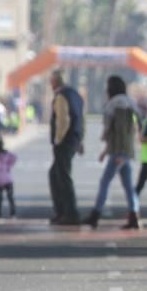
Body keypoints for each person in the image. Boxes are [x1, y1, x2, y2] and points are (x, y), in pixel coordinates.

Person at [84, 75, 140, 230]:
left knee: (105, 182)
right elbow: (129, 130)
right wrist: (107, 150)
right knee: (128, 185)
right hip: (122, 151)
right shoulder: (130, 102)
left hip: (119, 152)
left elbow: (120, 131)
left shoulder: (117, 104)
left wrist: (120, 152)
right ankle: (134, 215)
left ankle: (95, 214)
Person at [48, 70, 84, 225]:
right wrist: (80, 139)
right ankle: (63, 211)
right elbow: (81, 118)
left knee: (62, 177)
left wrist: (58, 140)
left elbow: (63, 119)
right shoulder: (75, 94)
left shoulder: (61, 96)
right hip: (74, 139)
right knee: (56, 174)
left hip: (64, 141)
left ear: (55, 81)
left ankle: (69, 213)